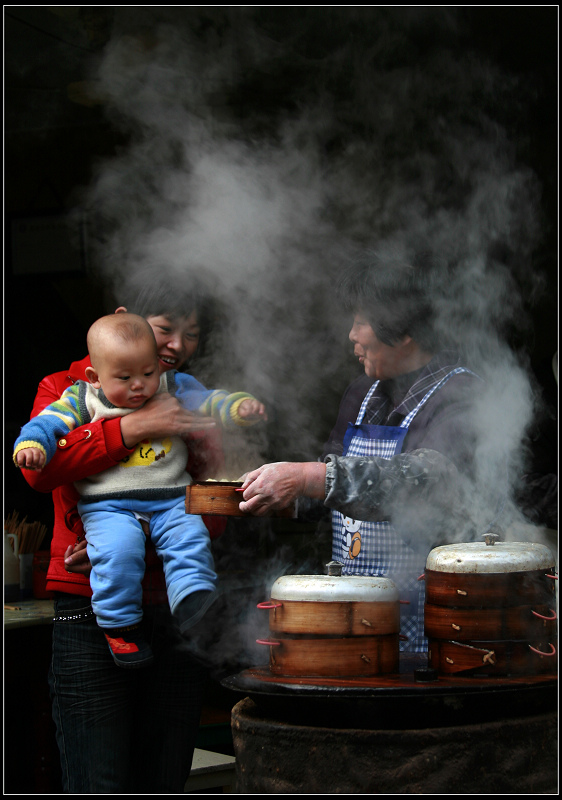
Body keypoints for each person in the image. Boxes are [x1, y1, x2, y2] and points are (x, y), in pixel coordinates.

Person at [17, 279, 244, 793]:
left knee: (163, 779)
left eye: (192, 334)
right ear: (126, 318)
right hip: (88, 611)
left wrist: (134, 543)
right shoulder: (65, 388)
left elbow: (211, 503)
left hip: (175, 608)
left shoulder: (185, 395)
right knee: (101, 779)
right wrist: (132, 429)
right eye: (167, 329)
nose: (178, 347)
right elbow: (38, 472)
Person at [238, 249, 498, 654]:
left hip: (441, 627)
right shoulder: (363, 392)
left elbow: (426, 481)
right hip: (361, 620)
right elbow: (328, 487)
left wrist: (306, 477)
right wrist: (268, 490)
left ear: (403, 329)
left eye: (361, 321)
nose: (352, 335)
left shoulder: (460, 394)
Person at [14, 312, 266, 668]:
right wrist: (33, 446)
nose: (139, 385)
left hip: (171, 502)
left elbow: (210, 400)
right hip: (107, 512)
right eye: (165, 328)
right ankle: (118, 626)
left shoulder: (172, 385)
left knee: (190, 536)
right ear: (95, 377)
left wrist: (238, 407)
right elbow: (46, 427)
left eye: (148, 374)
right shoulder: (77, 395)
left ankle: (193, 600)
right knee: (117, 551)